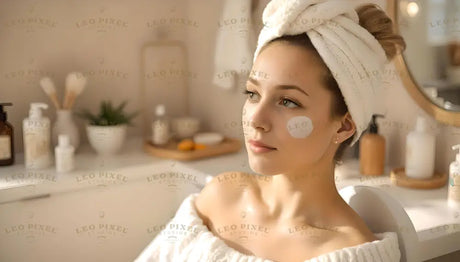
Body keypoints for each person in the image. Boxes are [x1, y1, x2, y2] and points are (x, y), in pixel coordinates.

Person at [134, 0, 406, 261]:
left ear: (344, 126)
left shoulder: (348, 251)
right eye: (252, 94)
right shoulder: (221, 197)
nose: (256, 119)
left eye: (288, 101)